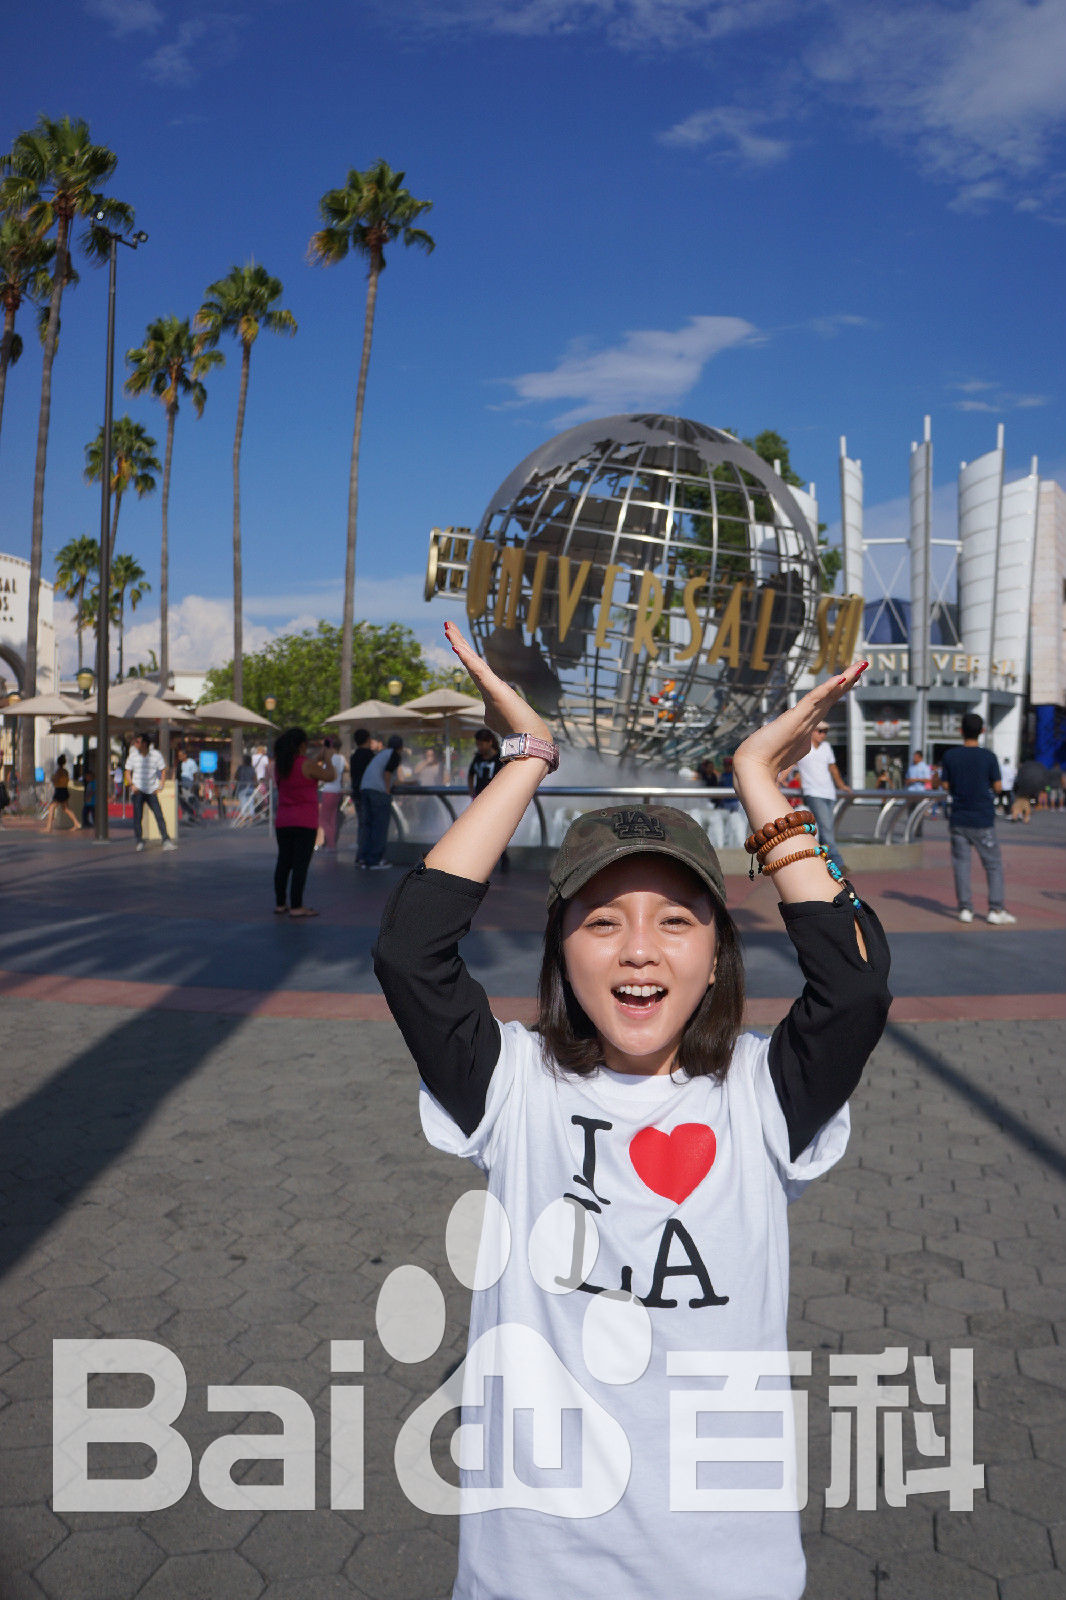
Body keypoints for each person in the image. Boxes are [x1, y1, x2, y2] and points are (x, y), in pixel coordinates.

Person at [373, 620, 890, 1600]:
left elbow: (855, 990)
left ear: (716, 954)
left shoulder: (757, 1094)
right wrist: (527, 758)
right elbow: (410, 952)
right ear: (560, 949)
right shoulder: (514, 1087)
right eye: (601, 920)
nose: (639, 951)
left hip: (723, 1571)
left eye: (677, 921)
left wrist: (757, 781)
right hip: (532, 1569)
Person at [938, 712, 1015, 924]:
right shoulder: (989, 757)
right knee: (993, 865)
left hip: (958, 818)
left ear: (961, 731)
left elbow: (945, 785)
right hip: (982, 818)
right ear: (982, 731)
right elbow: (999, 787)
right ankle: (995, 909)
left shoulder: (950, 756)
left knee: (961, 865)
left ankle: (965, 909)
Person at [272, 726, 334, 916]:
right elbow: (330, 776)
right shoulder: (306, 764)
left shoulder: (281, 765)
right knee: (300, 865)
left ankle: (281, 904)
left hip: (283, 821)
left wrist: (318, 757)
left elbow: (303, 767)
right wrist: (329, 759)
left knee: (284, 862)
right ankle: (297, 906)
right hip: (304, 822)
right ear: (301, 745)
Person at [783, 720, 850, 874]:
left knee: (826, 829)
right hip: (813, 793)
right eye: (820, 731)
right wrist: (779, 780)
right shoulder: (803, 747)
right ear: (811, 731)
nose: (823, 734)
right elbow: (789, 764)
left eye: (825, 731)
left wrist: (841, 786)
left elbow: (832, 768)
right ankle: (838, 862)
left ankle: (821, 861)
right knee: (826, 828)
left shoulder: (826, 747)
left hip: (829, 793)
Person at [359, 732, 403, 870]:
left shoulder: (382, 754)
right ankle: (375, 860)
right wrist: (388, 791)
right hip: (378, 792)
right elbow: (388, 773)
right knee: (380, 826)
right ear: (400, 747)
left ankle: (364, 859)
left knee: (368, 826)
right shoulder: (394, 755)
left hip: (365, 789)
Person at [124, 734, 175, 852]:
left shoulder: (155, 755)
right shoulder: (133, 756)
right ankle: (139, 841)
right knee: (138, 817)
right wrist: (132, 785)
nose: (135, 744)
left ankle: (166, 840)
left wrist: (161, 785)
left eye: (137, 741)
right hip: (138, 791)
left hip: (151, 790)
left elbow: (163, 769)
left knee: (159, 815)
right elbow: (127, 771)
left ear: (144, 744)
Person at [468, 727, 509, 872]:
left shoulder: (499, 759)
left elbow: (503, 779)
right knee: (479, 830)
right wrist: (472, 792)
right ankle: (480, 861)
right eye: (477, 744)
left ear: (490, 742)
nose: (479, 747)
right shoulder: (478, 758)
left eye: (481, 744)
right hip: (479, 800)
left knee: (495, 831)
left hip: (493, 801)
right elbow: (471, 774)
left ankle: (503, 858)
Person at [349, 728, 378, 867]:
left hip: (356, 792)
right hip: (367, 794)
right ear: (368, 739)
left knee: (362, 824)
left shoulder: (354, 756)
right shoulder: (370, 755)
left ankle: (360, 854)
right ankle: (365, 855)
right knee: (368, 825)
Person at [317, 736, 346, 850]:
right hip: (337, 790)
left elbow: (324, 775)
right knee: (333, 819)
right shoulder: (341, 758)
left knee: (324, 820)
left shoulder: (330, 758)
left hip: (328, 790)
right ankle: (332, 843)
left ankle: (330, 844)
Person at [44, 753, 82, 832]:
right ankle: (77, 823)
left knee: (51, 808)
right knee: (66, 808)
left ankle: (49, 827)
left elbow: (55, 780)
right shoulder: (65, 771)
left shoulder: (59, 771)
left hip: (60, 791)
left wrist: (52, 778)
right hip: (64, 790)